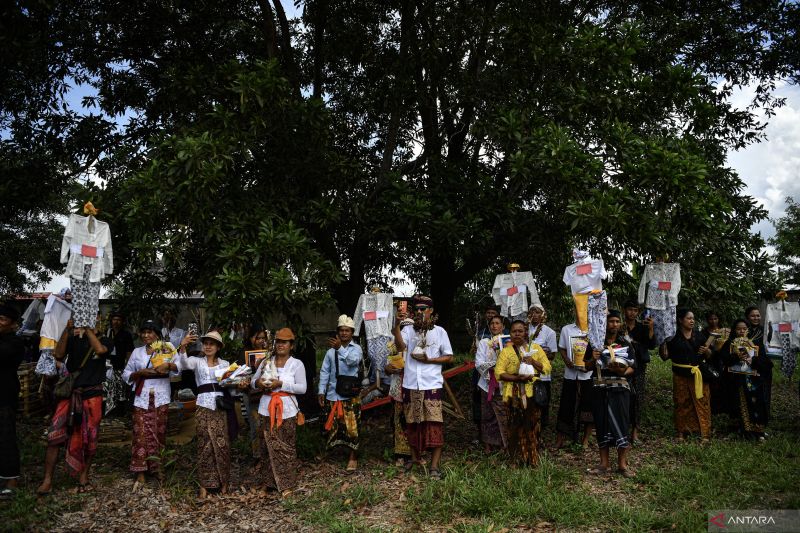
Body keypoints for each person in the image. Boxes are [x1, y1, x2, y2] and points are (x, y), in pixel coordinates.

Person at [37, 315, 112, 495]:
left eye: (94, 318)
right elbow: (58, 354)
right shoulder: (73, 339)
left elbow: (100, 350)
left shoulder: (106, 339)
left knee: (90, 437)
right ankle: (47, 480)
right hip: (70, 394)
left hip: (92, 395)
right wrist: (66, 330)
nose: (89, 320)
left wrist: (88, 330)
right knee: (55, 435)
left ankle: (83, 475)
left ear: (99, 320)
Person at [392, 295, 453, 479]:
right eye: (416, 309)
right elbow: (400, 347)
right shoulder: (409, 330)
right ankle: (415, 459)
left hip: (431, 384)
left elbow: (449, 356)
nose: (419, 312)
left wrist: (430, 359)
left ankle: (434, 467)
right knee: (412, 423)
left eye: (423, 309)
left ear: (431, 311)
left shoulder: (440, 332)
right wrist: (396, 326)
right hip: (411, 384)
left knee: (434, 424)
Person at [176, 330, 234, 498]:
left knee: (222, 444)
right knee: (204, 444)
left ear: (218, 347)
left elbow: (231, 384)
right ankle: (204, 485)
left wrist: (238, 381)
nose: (208, 346)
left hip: (220, 407)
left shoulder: (225, 364)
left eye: (212, 343)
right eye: (206, 343)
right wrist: (183, 344)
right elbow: (183, 364)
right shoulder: (197, 361)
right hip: (202, 405)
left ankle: (224, 482)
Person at [251, 327, 307, 495]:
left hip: (287, 409)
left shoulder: (297, 364)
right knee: (265, 446)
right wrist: (259, 384)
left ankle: (286, 483)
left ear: (291, 345)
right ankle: (268, 483)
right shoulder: (266, 361)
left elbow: (302, 388)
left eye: (285, 342)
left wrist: (281, 384)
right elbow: (253, 381)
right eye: (279, 341)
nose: (281, 345)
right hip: (266, 407)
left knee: (286, 446)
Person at [122, 320, 178, 489]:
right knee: (140, 433)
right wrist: (140, 372)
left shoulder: (166, 349)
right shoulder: (137, 353)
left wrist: (168, 365)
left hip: (161, 396)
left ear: (157, 334)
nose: (146, 335)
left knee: (159, 432)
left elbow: (179, 368)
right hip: (142, 398)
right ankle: (140, 471)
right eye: (143, 332)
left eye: (150, 332)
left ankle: (157, 468)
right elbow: (126, 373)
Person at [584, 310, 636, 477]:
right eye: (611, 321)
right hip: (600, 388)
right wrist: (593, 358)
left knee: (621, 423)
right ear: (604, 324)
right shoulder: (595, 344)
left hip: (620, 389)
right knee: (601, 423)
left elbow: (633, 367)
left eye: (616, 321)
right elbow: (586, 366)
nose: (614, 324)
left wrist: (622, 371)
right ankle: (604, 463)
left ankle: (622, 464)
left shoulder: (625, 343)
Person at [496, 320, 551, 466]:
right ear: (510, 334)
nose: (517, 334)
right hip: (512, 394)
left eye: (520, 331)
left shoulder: (536, 348)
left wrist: (532, 361)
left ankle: (532, 459)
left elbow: (546, 368)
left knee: (532, 426)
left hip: (531, 394)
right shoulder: (506, 351)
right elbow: (499, 373)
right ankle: (514, 460)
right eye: (514, 331)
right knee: (514, 427)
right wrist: (516, 377)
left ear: (526, 332)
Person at [318, 315, 363, 471]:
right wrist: (321, 391)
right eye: (341, 330)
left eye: (347, 331)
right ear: (338, 332)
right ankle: (331, 452)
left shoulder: (356, 349)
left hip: (350, 394)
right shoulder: (330, 352)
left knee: (352, 427)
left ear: (352, 333)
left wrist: (340, 349)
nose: (344, 333)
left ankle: (353, 457)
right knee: (332, 425)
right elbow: (325, 372)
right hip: (333, 394)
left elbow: (353, 362)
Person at [660, 309, 712, 443]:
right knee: (681, 402)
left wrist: (706, 351)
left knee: (702, 402)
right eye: (689, 318)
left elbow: (710, 355)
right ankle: (681, 432)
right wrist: (663, 342)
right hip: (680, 374)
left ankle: (704, 433)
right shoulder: (673, 337)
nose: (692, 321)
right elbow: (665, 356)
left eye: (693, 318)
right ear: (680, 320)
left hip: (698, 374)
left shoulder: (699, 335)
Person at [721, 319, 771, 441]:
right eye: (739, 329)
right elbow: (724, 360)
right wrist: (735, 356)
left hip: (754, 381)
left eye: (744, 328)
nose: (741, 331)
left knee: (756, 404)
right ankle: (743, 430)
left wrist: (753, 360)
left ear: (748, 329)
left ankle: (758, 431)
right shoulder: (729, 343)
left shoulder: (756, 342)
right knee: (739, 404)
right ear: (734, 330)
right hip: (736, 381)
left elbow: (767, 363)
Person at [553, 316, 594, 450]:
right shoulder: (567, 329)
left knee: (588, 407)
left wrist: (591, 362)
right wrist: (566, 360)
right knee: (566, 405)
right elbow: (562, 348)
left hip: (587, 374)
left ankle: (585, 440)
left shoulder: (594, 329)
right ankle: (560, 439)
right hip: (570, 374)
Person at [621, 300, 655, 444]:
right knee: (623, 398)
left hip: (639, 367)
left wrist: (652, 328)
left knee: (638, 399)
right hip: (622, 366)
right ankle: (622, 431)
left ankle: (635, 433)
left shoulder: (643, 327)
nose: (632, 313)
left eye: (635, 310)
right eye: (630, 310)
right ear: (625, 311)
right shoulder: (620, 327)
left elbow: (652, 345)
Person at [0, 304, 24, 500]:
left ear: (13, 324)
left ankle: (11, 479)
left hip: (4, 396)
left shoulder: (14, 343)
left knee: (6, 436)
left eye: (2, 320)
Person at [475, 315, 508, 453]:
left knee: (503, 414)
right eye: (492, 323)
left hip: (504, 383)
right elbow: (478, 363)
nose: (494, 326)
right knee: (487, 415)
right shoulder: (484, 342)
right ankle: (488, 445)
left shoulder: (508, 342)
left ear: (503, 326)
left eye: (497, 323)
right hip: (487, 383)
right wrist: (492, 368)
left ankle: (503, 444)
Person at [527, 304, 557, 437]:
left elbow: (552, 354)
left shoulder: (549, 332)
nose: (534, 314)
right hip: (526, 373)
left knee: (542, 402)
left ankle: (541, 432)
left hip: (542, 375)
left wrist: (538, 354)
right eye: (532, 311)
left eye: (537, 312)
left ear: (543, 315)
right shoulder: (523, 329)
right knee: (528, 402)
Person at [104, 311, 135, 415]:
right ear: (111, 321)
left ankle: (120, 413)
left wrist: (127, 367)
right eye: (114, 319)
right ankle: (109, 412)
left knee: (120, 390)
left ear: (122, 322)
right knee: (109, 390)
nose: (116, 322)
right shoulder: (107, 333)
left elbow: (129, 351)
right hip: (107, 367)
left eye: (118, 320)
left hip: (120, 367)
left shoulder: (126, 335)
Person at [745, 306, 772, 423]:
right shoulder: (744, 331)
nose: (756, 318)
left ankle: (763, 419)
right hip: (747, 367)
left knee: (763, 394)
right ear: (747, 317)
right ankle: (748, 420)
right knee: (749, 394)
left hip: (763, 366)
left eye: (758, 315)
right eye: (752, 316)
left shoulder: (765, 331)